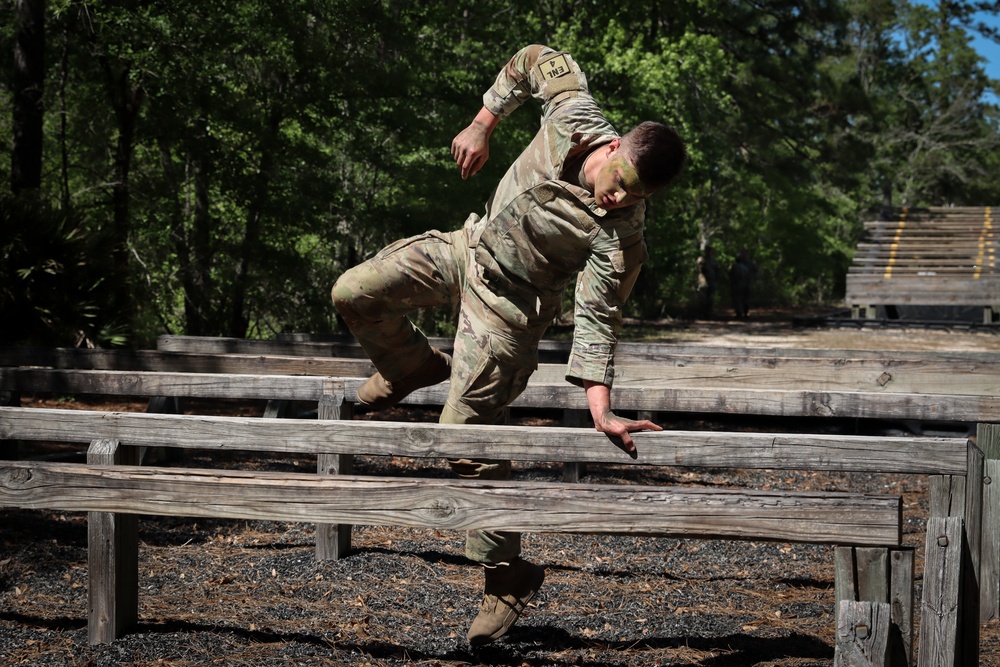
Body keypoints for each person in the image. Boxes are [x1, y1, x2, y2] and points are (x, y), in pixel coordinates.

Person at [331, 44, 686, 645]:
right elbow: (534, 58)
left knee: (463, 437)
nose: (620, 199)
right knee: (353, 292)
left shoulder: (618, 236)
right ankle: (409, 363)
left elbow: (600, 317)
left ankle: (507, 576)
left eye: (638, 198)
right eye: (621, 182)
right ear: (613, 148)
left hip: (507, 315)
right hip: (466, 251)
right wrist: (482, 122)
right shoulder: (574, 111)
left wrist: (599, 408)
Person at [729, 249, 756, 319]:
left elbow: (755, 271)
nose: (744, 255)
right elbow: (731, 274)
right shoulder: (736, 264)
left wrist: (753, 279)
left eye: (745, 254)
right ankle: (739, 313)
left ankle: (745, 313)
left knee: (746, 299)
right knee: (737, 299)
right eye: (742, 254)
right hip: (738, 284)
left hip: (747, 283)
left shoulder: (750, 264)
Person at [696, 245, 718, 319]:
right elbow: (698, 267)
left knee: (710, 298)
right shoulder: (702, 259)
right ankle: (702, 314)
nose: (708, 253)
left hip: (711, 281)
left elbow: (717, 270)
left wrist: (716, 280)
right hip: (703, 282)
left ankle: (709, 314)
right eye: (707, 251)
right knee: (703, 298)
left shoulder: (713, 261)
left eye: (710, 251)